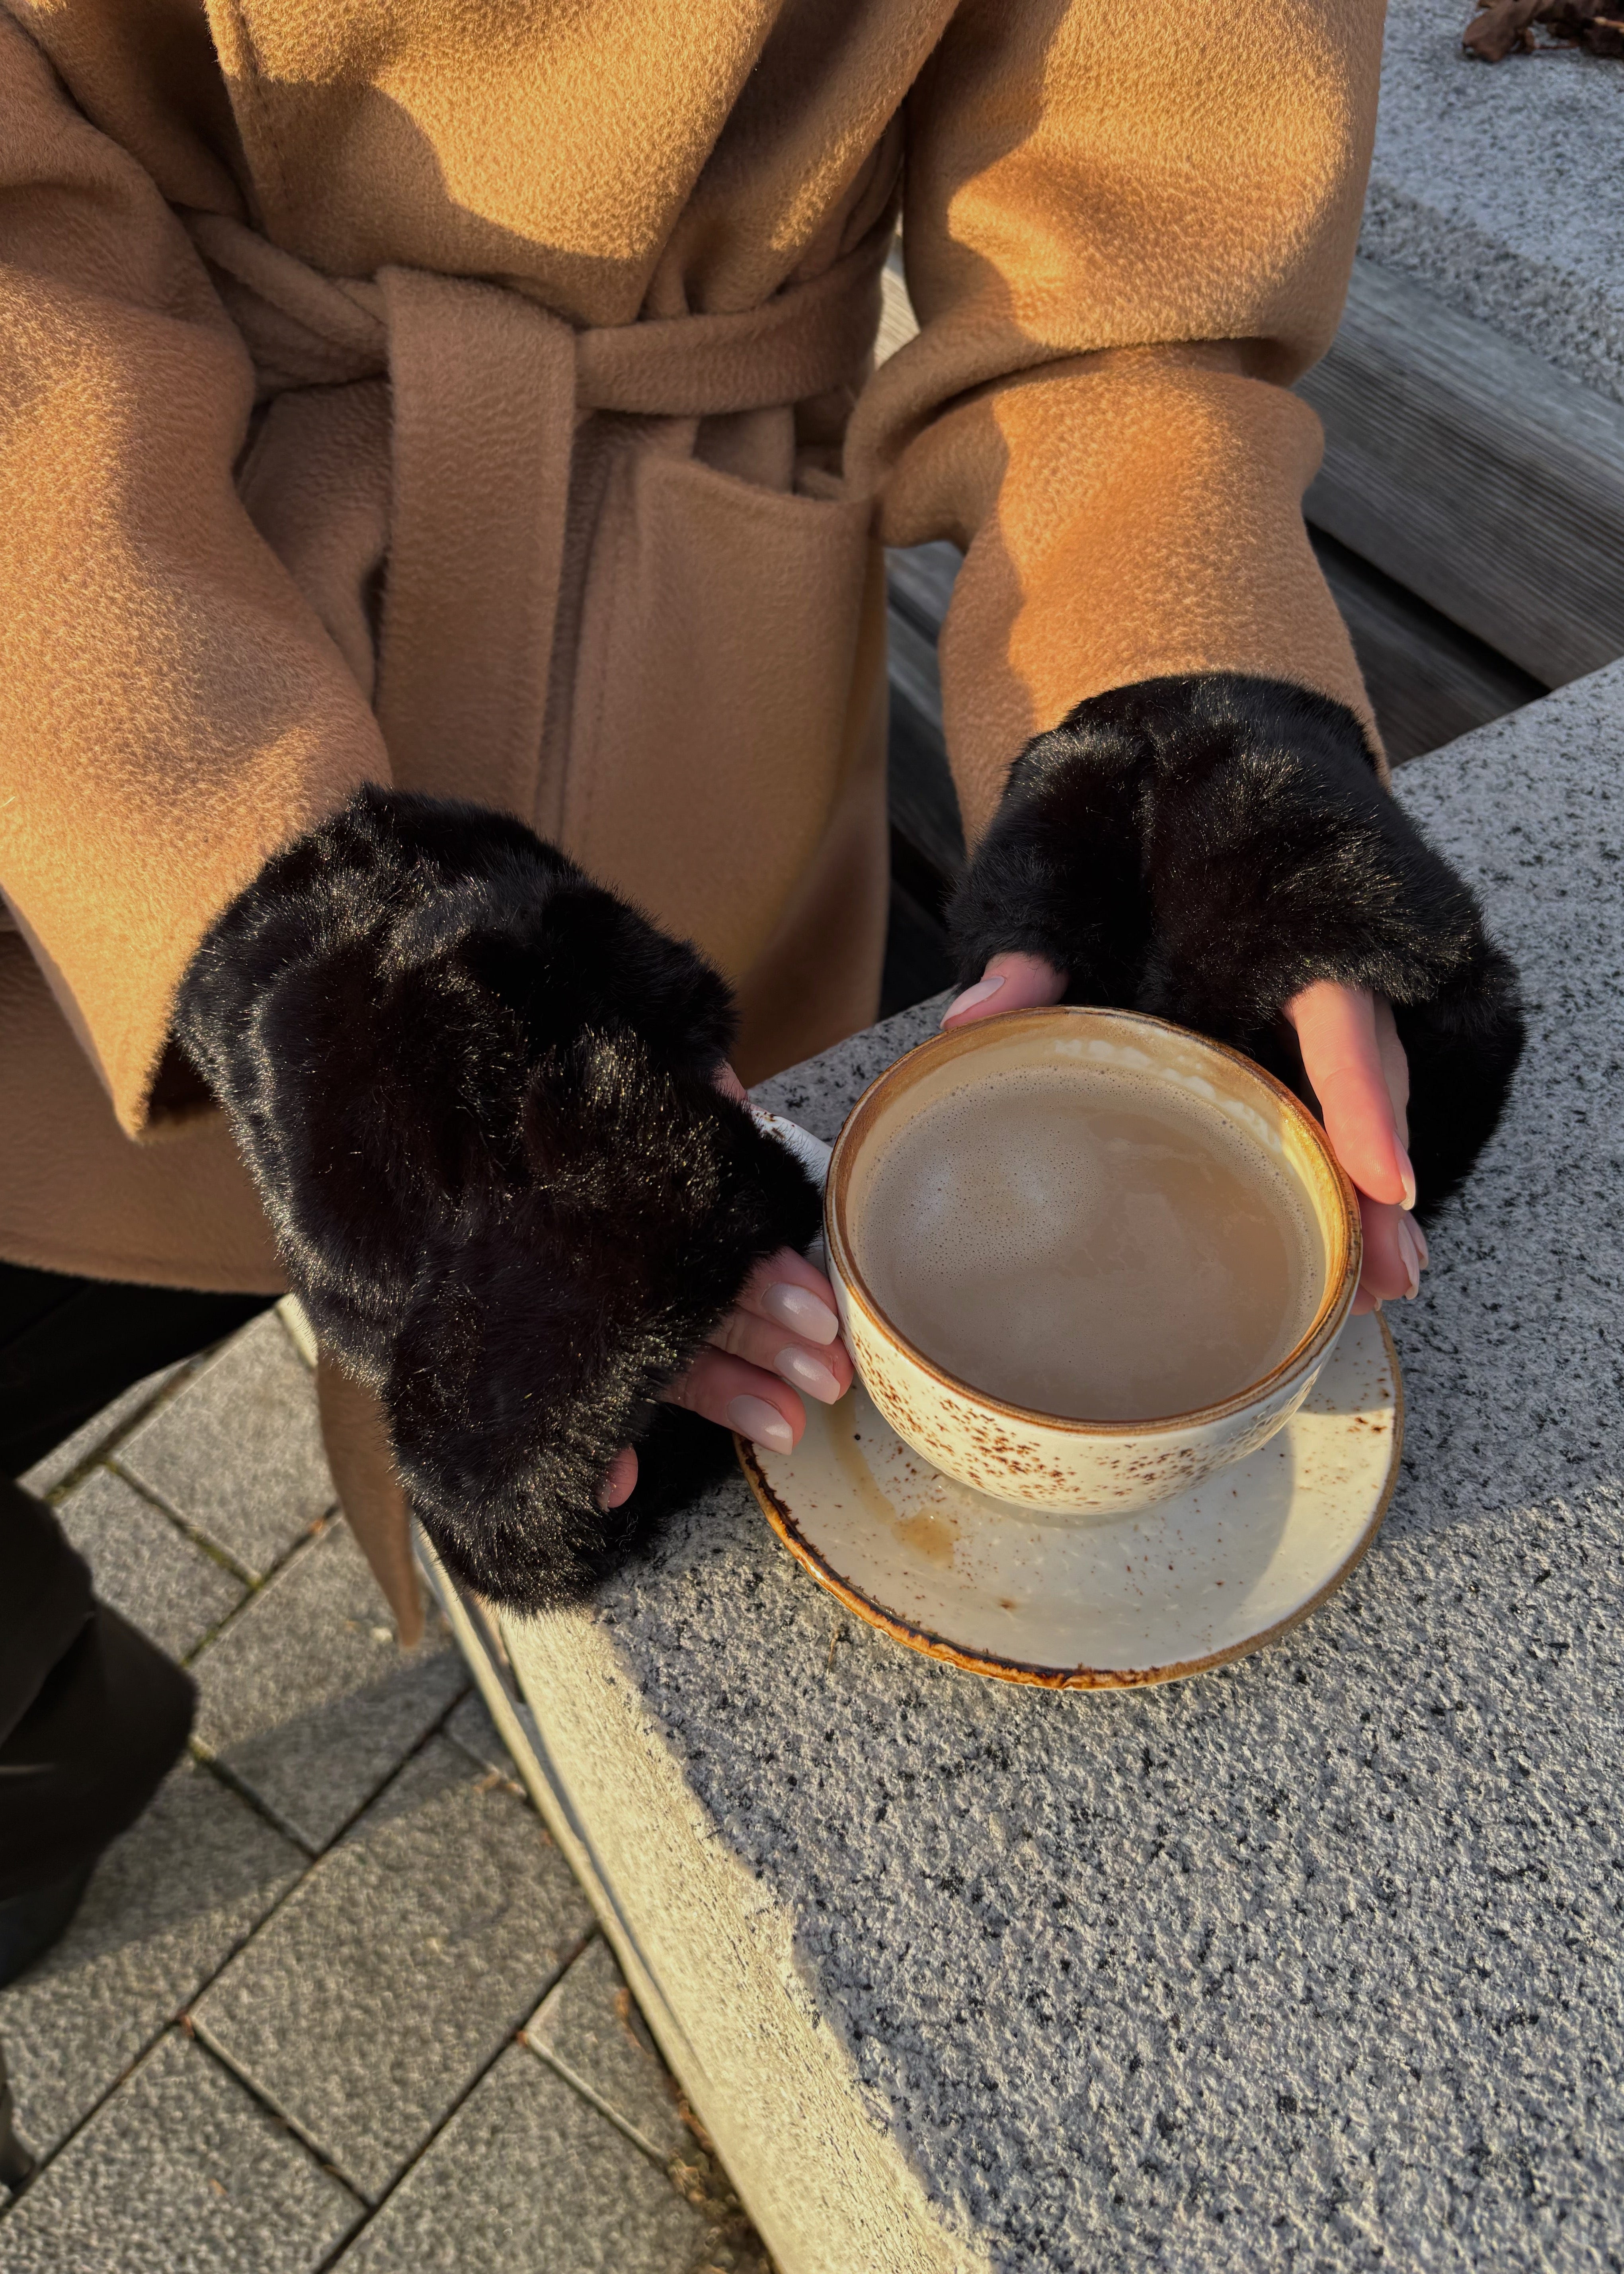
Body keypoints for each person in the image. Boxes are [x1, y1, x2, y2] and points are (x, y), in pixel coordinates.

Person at [0, 0, 1521, 1645]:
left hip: (685, 698)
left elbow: (1142, 240)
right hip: (85, 662)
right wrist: (290, 933)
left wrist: (1166, 695)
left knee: (671, 1394)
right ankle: (60, 1752)